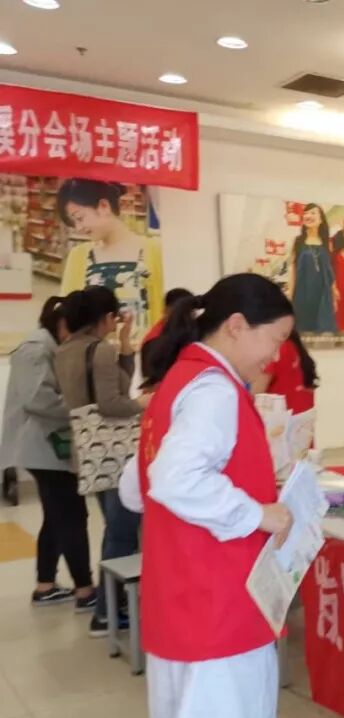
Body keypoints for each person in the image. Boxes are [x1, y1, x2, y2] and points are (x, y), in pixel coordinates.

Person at [117, 274, 295, 718]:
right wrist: (256, 513)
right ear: (237, 326)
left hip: (182, 601)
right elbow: (174, 479)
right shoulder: (216, 391)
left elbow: (135, 488)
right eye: (275, 340)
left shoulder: (179, 380)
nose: (276, 356)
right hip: (221, 612)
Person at [54, 286, 147, 637]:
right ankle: (106, 612)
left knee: (114, 529)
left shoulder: (66, 350)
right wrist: (144, 403)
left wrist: (124, 344)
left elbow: (108, 387)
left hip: (92, 451)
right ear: (106, 317)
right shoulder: (100, 350)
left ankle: (112, 604)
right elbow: (113, 403)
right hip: (116, 453)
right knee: (121, 535)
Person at [0, 297, 95, 610]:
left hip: (47, 445)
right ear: (62, 323)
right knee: (72, 515)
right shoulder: (35, 348)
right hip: (41, 446)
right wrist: (79, 408)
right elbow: (37, 398)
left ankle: (45, 586)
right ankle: (85, 590)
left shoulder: (47, 346)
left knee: (56, 516)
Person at [59, 178, 164, 340]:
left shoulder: (153, 250)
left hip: (145, 351)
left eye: (79, 218)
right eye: (74, 222)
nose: (78, 228)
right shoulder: (78, 256)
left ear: (104, 206)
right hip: (95, 352)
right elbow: (67, 314)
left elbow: (165, 312)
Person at [288, 203, 337, 334]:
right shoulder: (298, 241)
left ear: (321, 220)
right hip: (303, 292)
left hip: (322, 294)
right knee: (303, 331)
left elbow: (329, 271)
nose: (308, 215)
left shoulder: (326, 243)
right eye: (305, 213)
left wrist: (334, 294)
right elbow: (293, 270)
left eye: (312, 213)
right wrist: (290, 295)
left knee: (324, 331)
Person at [252, 329, 318, 415]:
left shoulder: (276, 349)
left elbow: (255, 392)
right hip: (303, 417)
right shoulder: (295, 347)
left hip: (282, 417)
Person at [142, 288, 194, 378]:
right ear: (167, 311)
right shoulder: (153, 342)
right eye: (183, 313)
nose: (188, 318)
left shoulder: (189, 333)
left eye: (191, 313)